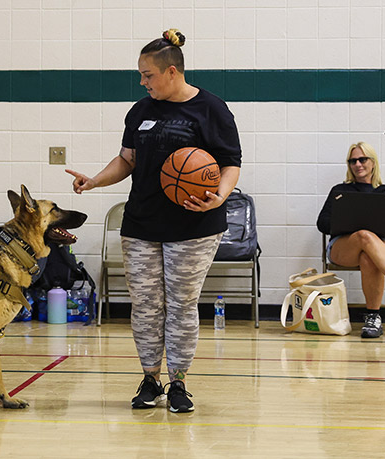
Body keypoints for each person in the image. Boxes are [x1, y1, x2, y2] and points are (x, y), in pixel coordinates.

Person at [65, 29, 242, 413]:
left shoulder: (212, 109)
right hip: (142, 224)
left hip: (194, 226)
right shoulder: (141, 110)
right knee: (145, 305)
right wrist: (95, 180)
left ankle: (179, 383)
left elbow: (230, 164)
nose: (142, 81)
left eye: (148, 74)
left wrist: (220, 196)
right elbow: (127, 159)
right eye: (141, 75)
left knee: (181, 304)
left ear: (172, 72)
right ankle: (150, 379)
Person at [316, 142, 385, 339]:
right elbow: (322, 224)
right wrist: (345, 222)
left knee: (369, 256)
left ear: (373, 162)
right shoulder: (340, 190)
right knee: (364, 235)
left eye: (362, 159)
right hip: (344, 246)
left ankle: (373, 319)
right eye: (353, 161)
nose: (357, 164)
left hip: (381, 246)